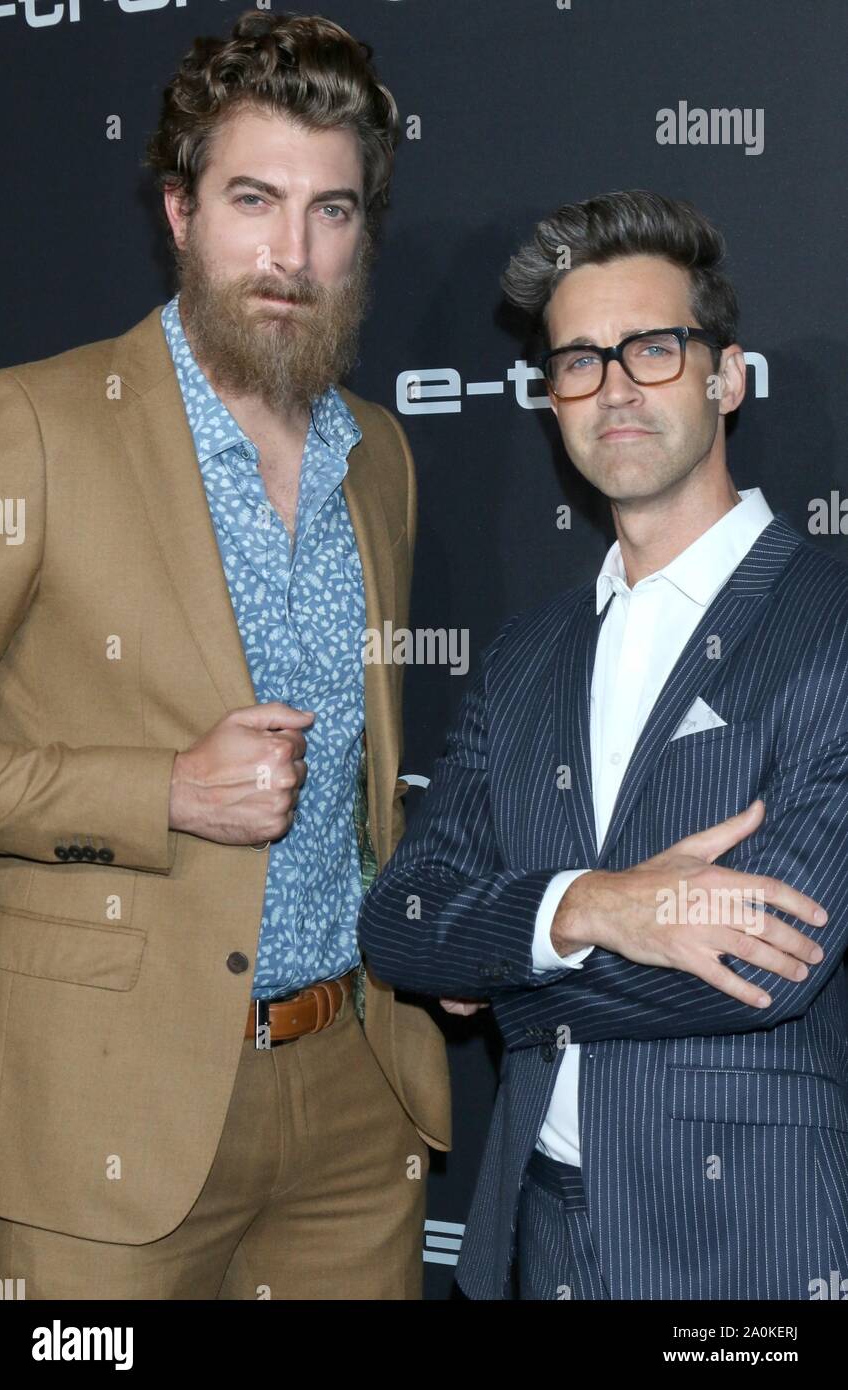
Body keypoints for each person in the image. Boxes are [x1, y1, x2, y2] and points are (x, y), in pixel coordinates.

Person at [0, 9, 449, 1300]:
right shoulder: (30, 425)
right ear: (181, 210)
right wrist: (159, 790)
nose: (289, 252)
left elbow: (370, 786)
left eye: (330, 209)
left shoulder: (381, 453)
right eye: (253, 198)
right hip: (108, 1119)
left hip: (357, 1106)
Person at [359, 189, 848, 1300]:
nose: (613, 385)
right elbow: (402, 918)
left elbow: (762, 967)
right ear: (550, 398)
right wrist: (583, 909)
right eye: (578, 359)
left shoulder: (828, 628)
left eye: (652, 348)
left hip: (746, 1240)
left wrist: (514, 970)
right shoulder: (527, 653)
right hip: (539, 1234)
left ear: (725, 377)